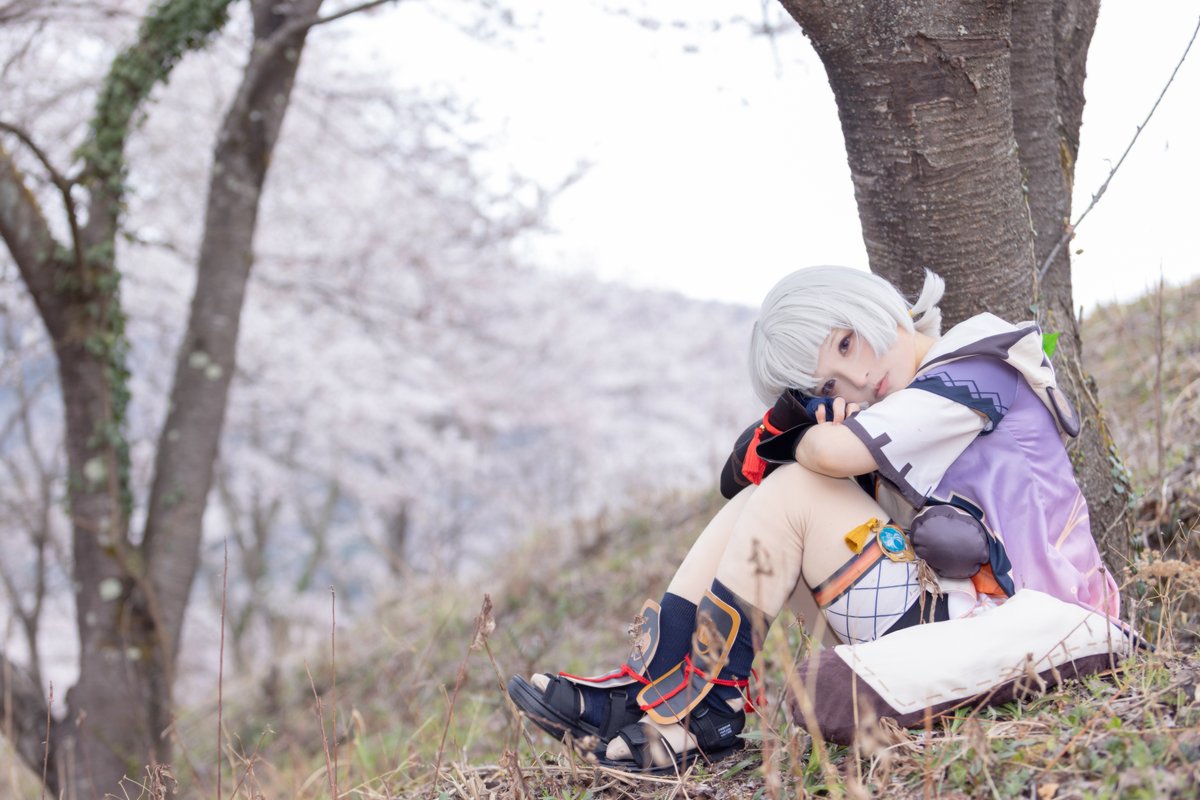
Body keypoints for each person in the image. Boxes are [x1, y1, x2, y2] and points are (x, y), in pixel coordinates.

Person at [507, 266, 1124, 772]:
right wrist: (794, 430)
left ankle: (707, 710)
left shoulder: (975, 368)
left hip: (1032, 622)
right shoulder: (905, 400)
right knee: (763, 496)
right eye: (829, 384)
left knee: (797, 483)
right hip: (954, 608)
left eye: (848, 344)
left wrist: (798, 429)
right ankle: (652, 683)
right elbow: (750, 481)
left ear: (868, 304)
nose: (858, 380)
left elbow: (831, 455)